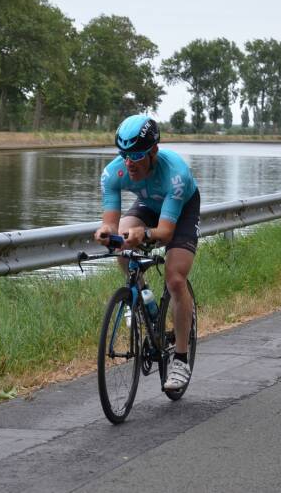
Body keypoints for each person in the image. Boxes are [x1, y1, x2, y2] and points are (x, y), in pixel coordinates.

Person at [94, 114, 201, 391]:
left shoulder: (175, 174)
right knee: (122, 241)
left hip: (181, 208)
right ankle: (143, 300)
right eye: (124, 155)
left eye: (137, 155)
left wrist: (146, 234)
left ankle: (180, 358)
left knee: (175, 278)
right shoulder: (113, 173)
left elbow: (165, 233)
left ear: (154, 151)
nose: (129, 162)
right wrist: (106, 232)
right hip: (148, 205)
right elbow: (110, 221)